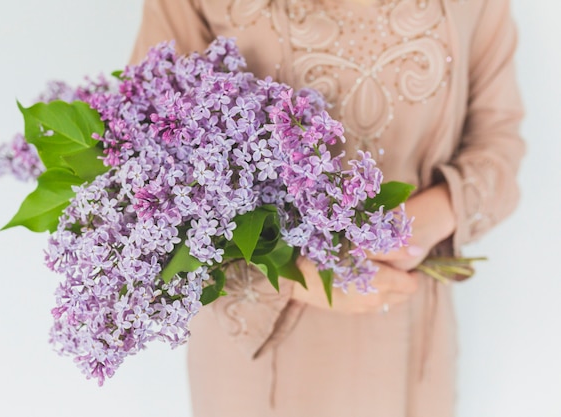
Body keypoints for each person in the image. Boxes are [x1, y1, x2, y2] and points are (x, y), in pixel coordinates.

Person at [129, 0, 525, 416]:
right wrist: (294, 277)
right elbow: (151, 158)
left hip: (405, 317)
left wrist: (433, 215)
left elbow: (499, 140)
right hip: (261, 340)